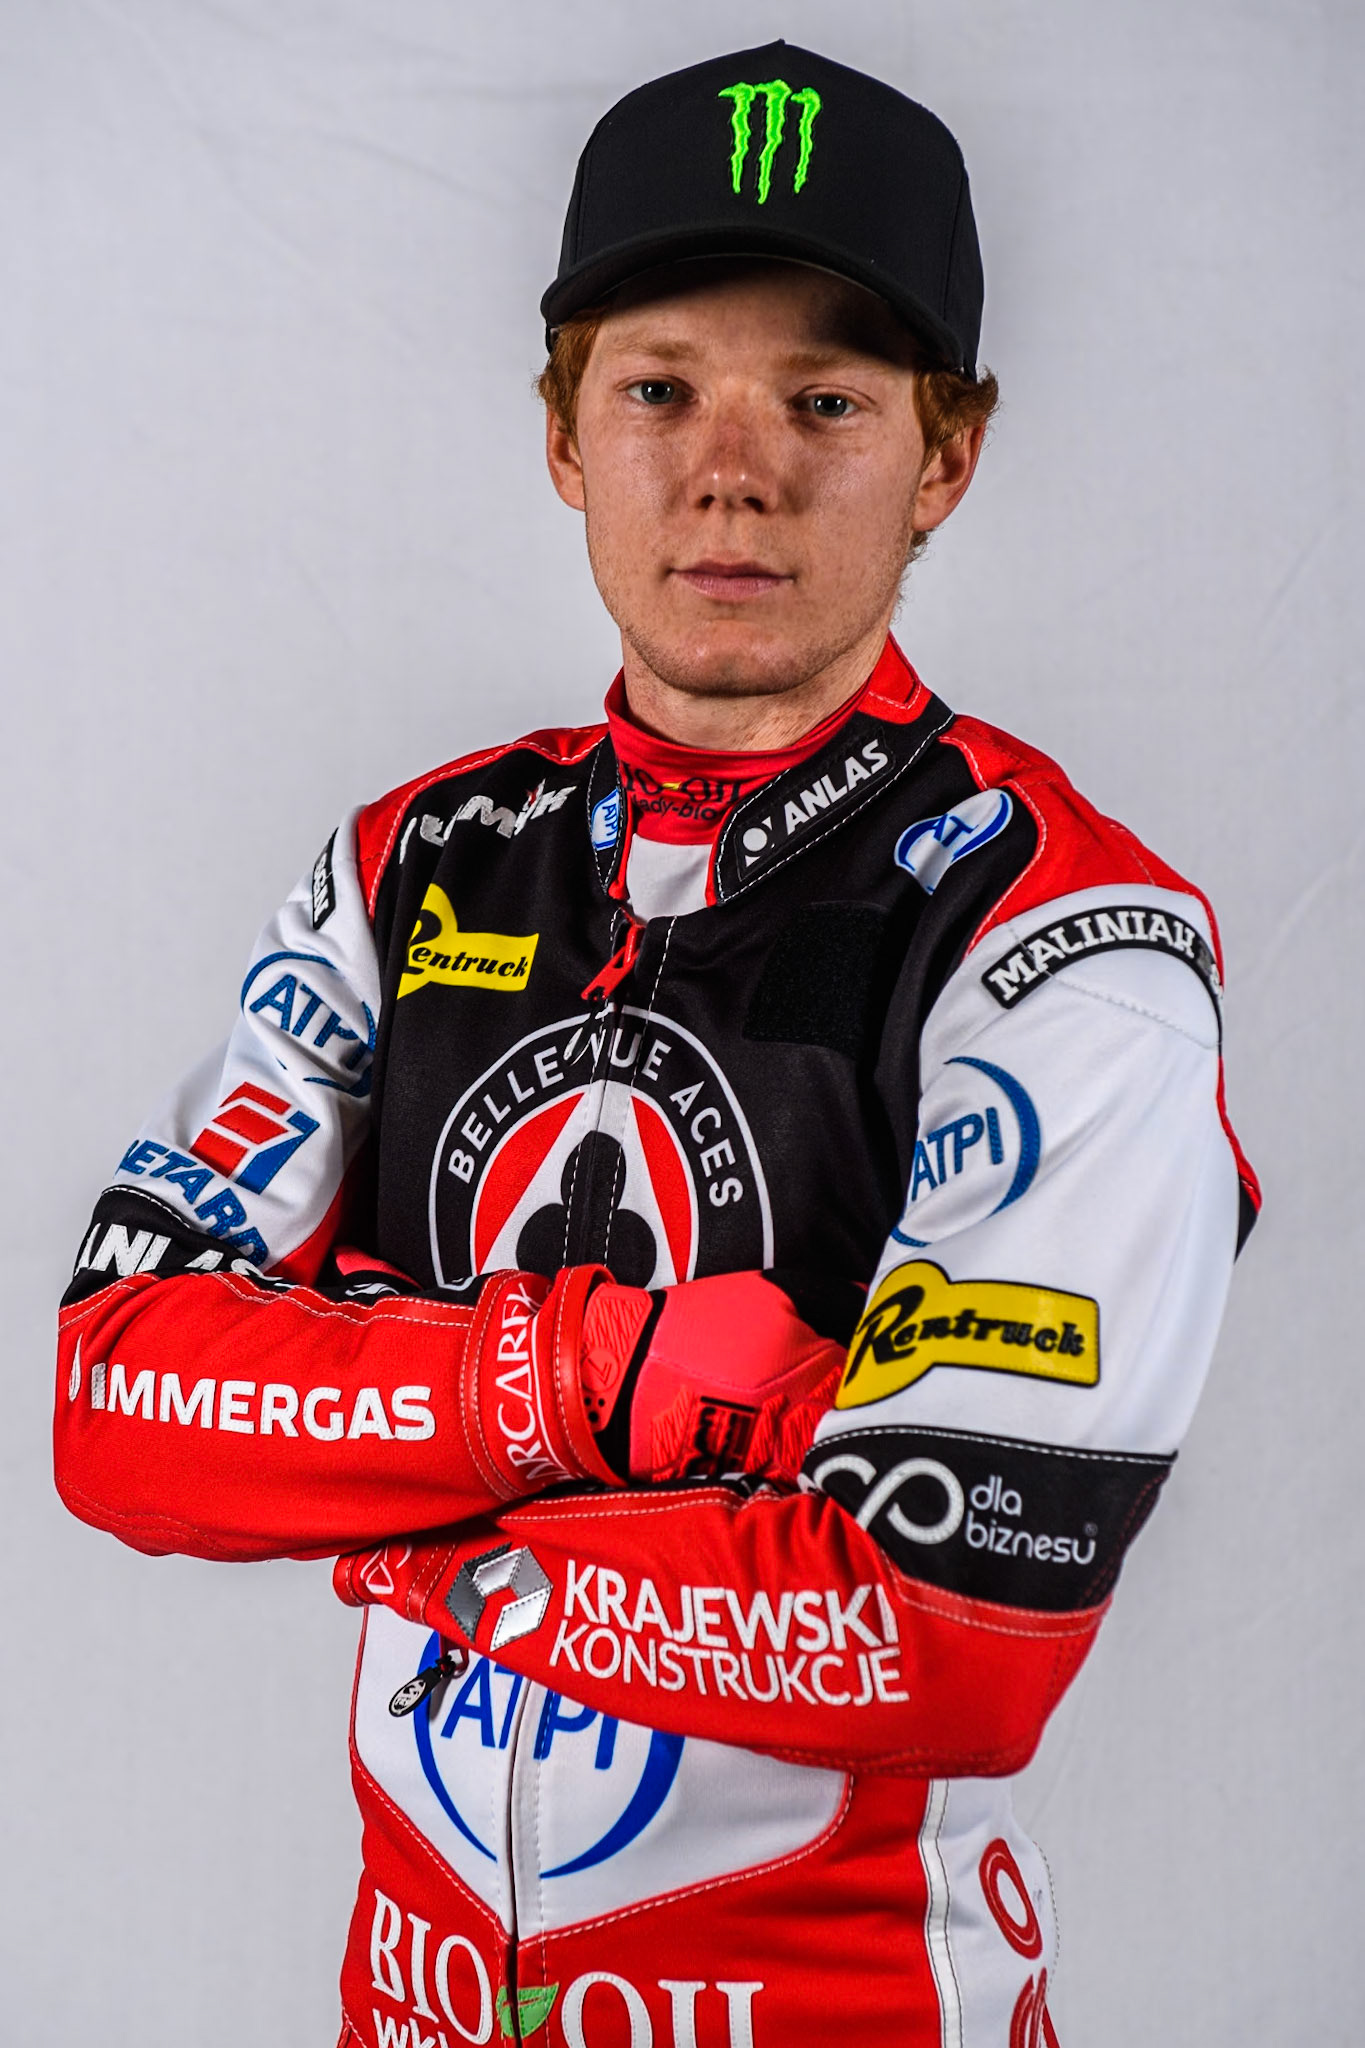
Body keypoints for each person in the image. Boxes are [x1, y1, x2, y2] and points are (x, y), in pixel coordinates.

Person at [54, 39, 1258, 2048]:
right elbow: (112, 1404)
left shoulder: (1061, 934)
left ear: (942, 455)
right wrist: (603, 1377)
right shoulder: (409, 863)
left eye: (824, 400)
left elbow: (949, 1630)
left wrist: (428, 1530)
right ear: (561, 435)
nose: (733, 468)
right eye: (656, 387)